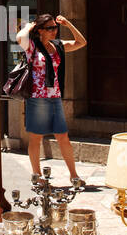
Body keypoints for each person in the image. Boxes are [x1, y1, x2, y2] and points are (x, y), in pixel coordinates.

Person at [15, 13, 87, 183]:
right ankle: (37, 175)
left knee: (63, 136)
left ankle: (74, 175)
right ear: (40, 30)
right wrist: (29, 26)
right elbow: (19, 37)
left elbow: (81, 42)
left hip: (54, 96)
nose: (54, 31)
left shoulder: (58, 45)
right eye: (50, 28)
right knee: (36, 137)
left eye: (55, 27)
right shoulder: (32, 46)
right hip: (37, 97)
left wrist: (68, 24)